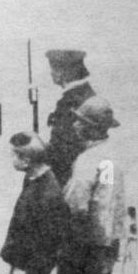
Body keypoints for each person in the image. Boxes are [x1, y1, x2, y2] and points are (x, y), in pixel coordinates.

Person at [54, 97, 127, 274]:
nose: (74, 125)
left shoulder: (87, 160)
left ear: (91, 128)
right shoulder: (112, 157)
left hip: (82, 247)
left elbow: (74, 206)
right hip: (107, 248)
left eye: (80, 121)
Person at [0, 132, 69, 274]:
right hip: (23, 264)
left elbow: (47, 246)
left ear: (26, 161)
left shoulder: (47, 195)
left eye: (13, 155)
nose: (11, 158)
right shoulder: (34, 178)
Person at [44, 49, 95, 186]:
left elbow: (65, 146)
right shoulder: (81, 93)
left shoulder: (73, 99)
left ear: (62, 72)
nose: (51, 73)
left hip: (71, 175)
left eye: (53, 68)